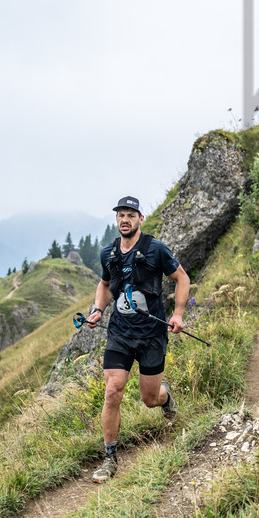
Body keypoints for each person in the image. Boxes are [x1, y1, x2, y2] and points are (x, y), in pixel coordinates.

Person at [84, 195, 191, 483]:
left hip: (152, 335)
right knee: (113, 391)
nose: (125, 219)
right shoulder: (108, 254)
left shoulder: (155, 249)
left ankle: (164, 395)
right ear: (116, 219)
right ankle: (109, 458)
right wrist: (97, 310)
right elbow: (105, 284)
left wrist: (178, 314)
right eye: (121, 214)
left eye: (131, 214)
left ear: (141, 219)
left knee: (149, 398)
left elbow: (182, 278)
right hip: (119, 333)